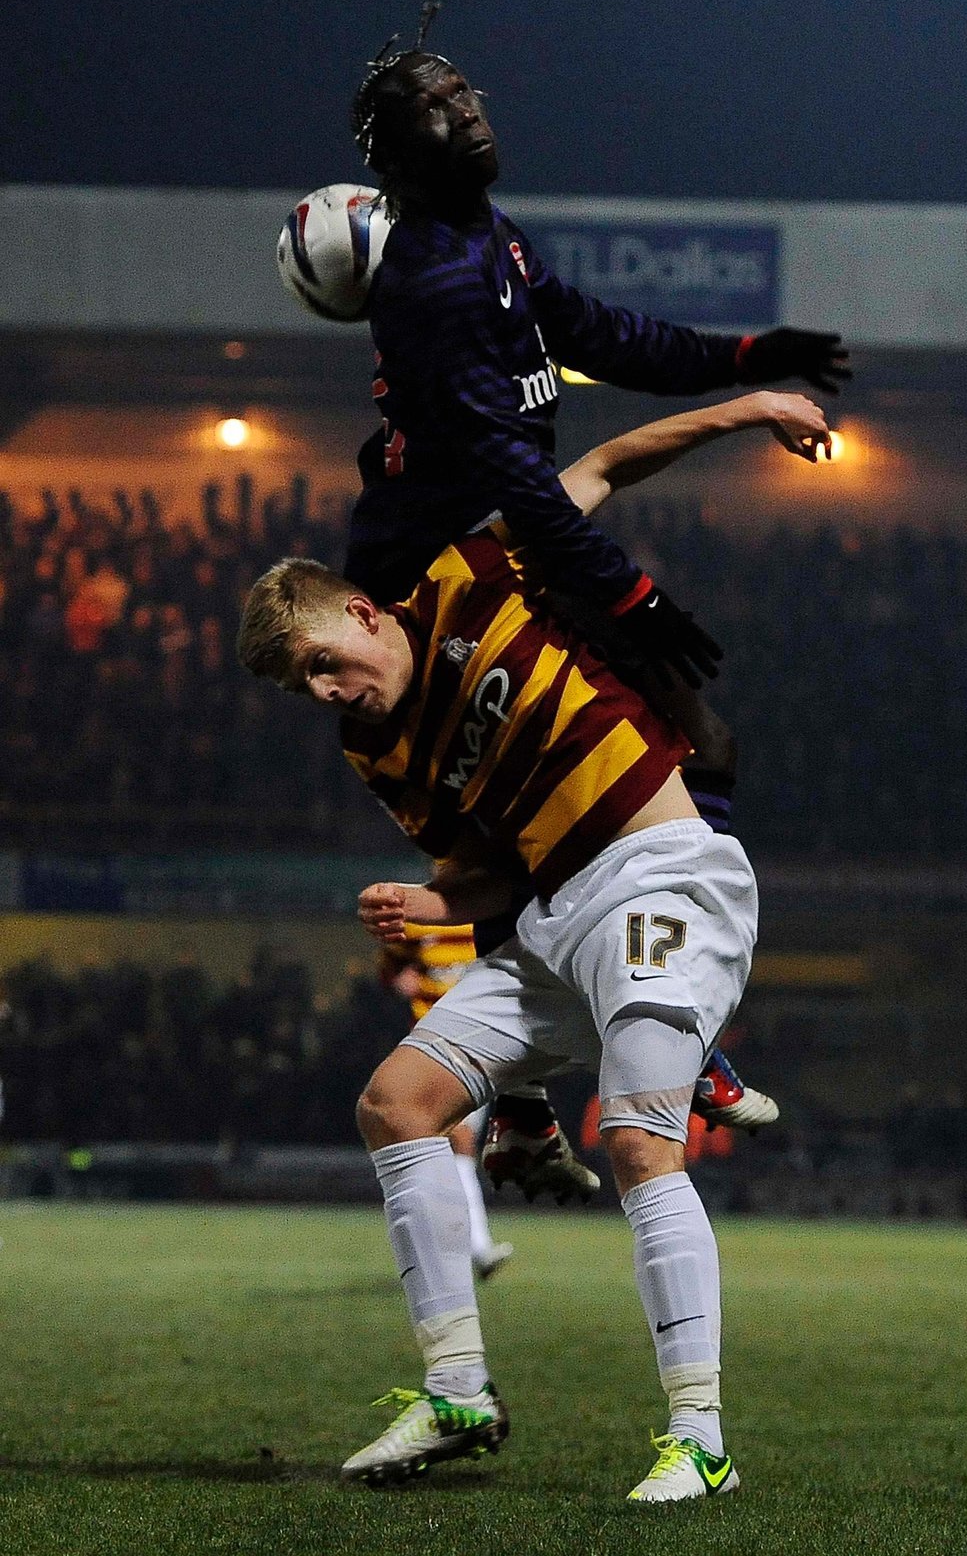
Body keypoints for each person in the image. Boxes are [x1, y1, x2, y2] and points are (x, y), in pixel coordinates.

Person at [238, 387, 829, 1500]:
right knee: (395, 1102)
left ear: (364, 612)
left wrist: (749, 407)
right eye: (300, 687)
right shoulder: (374, 751)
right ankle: (457, 1388)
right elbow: (486, 867)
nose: (323, 693)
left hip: (661, 873)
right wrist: (433, 901)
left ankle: (699, 1436)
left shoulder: (470, 577)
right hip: (553, 920)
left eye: (321, 661)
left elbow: (606, 462)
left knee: (639, 1139)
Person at [345, 9, 833, 1176]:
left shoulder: (490, 240)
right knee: (567, 800)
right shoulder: (427, 281)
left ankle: (525, 1106)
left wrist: (740, 358)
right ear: (402, 154)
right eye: (441, 108)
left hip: (497, 548)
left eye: (469, 94)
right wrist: (625, 596)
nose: (472, 114)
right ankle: (539, 1096)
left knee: (676, 751)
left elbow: (596, 333)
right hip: (435, 586)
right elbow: (515, 467)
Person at [383, 926, 514, 1278]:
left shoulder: (487, 919)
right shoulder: (418, 923)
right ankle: (477, 1249)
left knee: (452, 1149)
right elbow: (390, 967)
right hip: (430, 1046)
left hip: (479, 1046)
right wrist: (399, 979)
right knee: (458, 1140)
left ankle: (454, 1248)